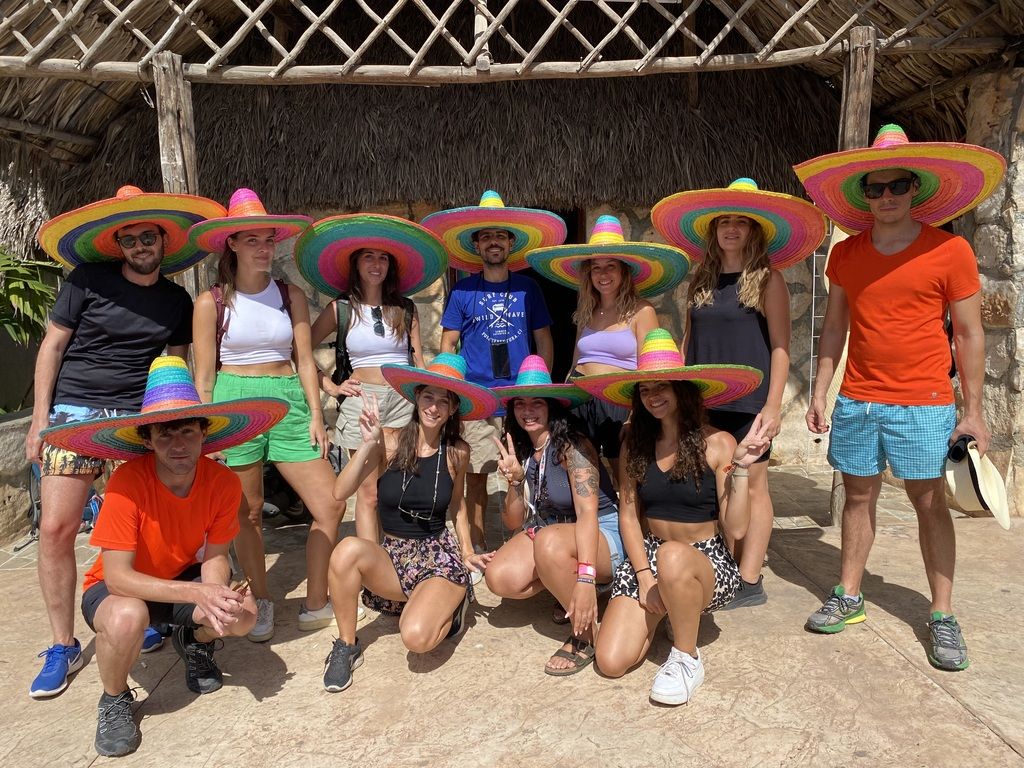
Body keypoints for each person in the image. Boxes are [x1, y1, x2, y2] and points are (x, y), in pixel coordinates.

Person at [795, 124, 1006, 670]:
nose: (886, 196)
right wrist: (821, 388)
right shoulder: (845, 256)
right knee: (858, 498)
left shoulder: (949, 250)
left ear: (917, 189)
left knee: (929, 503)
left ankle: (941, 614)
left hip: (925, 401)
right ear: (863, 194)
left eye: (897, 185)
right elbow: (834, 326)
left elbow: (968, 333)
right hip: (860, 399)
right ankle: (849, 595)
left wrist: (975, 411)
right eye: (876, 187)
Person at [26, 185, 223, 699]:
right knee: (56, 528)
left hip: (140, 420)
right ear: (119, 244)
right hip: (75, 411)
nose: (140, 245)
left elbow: (173, 366)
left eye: (148, 237)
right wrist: (39, 419)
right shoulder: (88, 279)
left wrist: (189, 427)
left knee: (149, 523)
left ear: (163, 241)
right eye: (130, 238)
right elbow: (53, 346)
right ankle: (62, 643)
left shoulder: (175, 300)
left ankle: (148, 611)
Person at [40, 356, 288, 757]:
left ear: (204, 434)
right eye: (165, 434)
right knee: (127, 617)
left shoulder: (222, 482)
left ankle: (194, 640)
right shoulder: (127, 482)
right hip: (117, 590)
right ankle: (115, 698)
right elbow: (118, 578)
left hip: (178, 579)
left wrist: (215, 593)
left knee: (242, 614)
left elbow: (215, 553)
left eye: (187, 432)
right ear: (147, 439)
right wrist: (197, 596)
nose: (178, 445)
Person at [652, 178, 826, 608]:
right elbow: (688, 341)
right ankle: (727, 565)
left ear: (754, 230)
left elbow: (781, 347)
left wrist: (772, 406)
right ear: (713, 231)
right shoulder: (701, 280)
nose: (731, 229)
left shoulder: (769, 281)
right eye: (723, 222)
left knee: (756, 485)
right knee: (721, 483)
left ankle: (750, 578)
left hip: (751, 402)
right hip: (703, 399)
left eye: (740, 222)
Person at [575, 329, 767, 705]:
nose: (653, 396)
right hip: (651, 558)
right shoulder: (635, 446)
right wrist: (645, 578)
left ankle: (686, 656)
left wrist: (742, 468)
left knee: (673, 555)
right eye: (645, 390)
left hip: (704, 560)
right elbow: (629, 517)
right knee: (611, 661)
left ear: (683, 389)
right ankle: (665, 611)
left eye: (662, 386)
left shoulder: (719, 443)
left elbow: (738, 527)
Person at [190, 188, 342, 641]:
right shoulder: (209, 302)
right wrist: (206, 436)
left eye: (268, 239)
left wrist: (318, 414)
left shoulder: (290, 294)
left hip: (288, 396)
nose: (263, 247)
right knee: (247, 513)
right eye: (252, 239)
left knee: (330, 504)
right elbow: (203, 379)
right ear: (231, 244)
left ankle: (317, 599)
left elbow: (304, 358)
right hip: (233, 401)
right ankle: (261, 597)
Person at [321, 353, 499, 692]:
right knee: (346, 550)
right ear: (416, 397)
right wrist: (367, 444)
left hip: (436, 558)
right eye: (428, 396)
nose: (433, 407)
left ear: (452, 409)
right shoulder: (387, 439)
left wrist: (466, 550)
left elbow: (458, 505)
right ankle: (346, 645)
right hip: (395, 556)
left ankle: (452, 601)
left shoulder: (457, 451)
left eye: (442, 401)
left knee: (417, 638)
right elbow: (340, 491)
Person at [423, 191, 564, 560]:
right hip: (478, 396)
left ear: (511, 242)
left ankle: (530, 538)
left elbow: (543, 339)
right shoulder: (463, 290)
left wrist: (541, 384)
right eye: (486, 236)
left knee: (530, 469)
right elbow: (448, 342)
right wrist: (452, 388)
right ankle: (481, 543)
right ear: (476, 244)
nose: (494, 242)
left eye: (500, 235)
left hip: (521, 397)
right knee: (477, 474)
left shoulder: (528, 288)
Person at [298, 213, 447, 541]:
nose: (376, 264)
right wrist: (331, 386)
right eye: (369, 256)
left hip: (403, 400)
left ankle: (398, 558)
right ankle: (371, 568)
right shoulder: (341, 308)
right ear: (356, 264)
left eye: (383, 258)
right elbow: (301, 351)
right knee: (369, 493)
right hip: (361, 400)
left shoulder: (406, 309)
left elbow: (418, 361)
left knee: (398, 488)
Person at [486, 356, 624, 675]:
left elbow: (588, 515)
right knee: (499, 577)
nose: (528, 410)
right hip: (554, 531)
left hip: (602, 534)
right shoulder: (522, 449)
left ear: (552, 407)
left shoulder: (573, 447)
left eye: (537, 403)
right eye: (520, 403)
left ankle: (585, 634)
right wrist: (516, 482)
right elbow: (512, 521)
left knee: (548, 542)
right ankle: (570, 586)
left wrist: (586, 578)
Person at [526, 214, 689, 476]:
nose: (603, 274)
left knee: (628, 478)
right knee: (581, 475)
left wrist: (634, 414)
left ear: (624, 270)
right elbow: (574, 362)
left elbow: (650, 368)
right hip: (581, 400)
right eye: (596, 267)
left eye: (610, 265)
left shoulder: (641, 311)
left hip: (620, 403)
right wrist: (565, 400)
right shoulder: (586, 311)